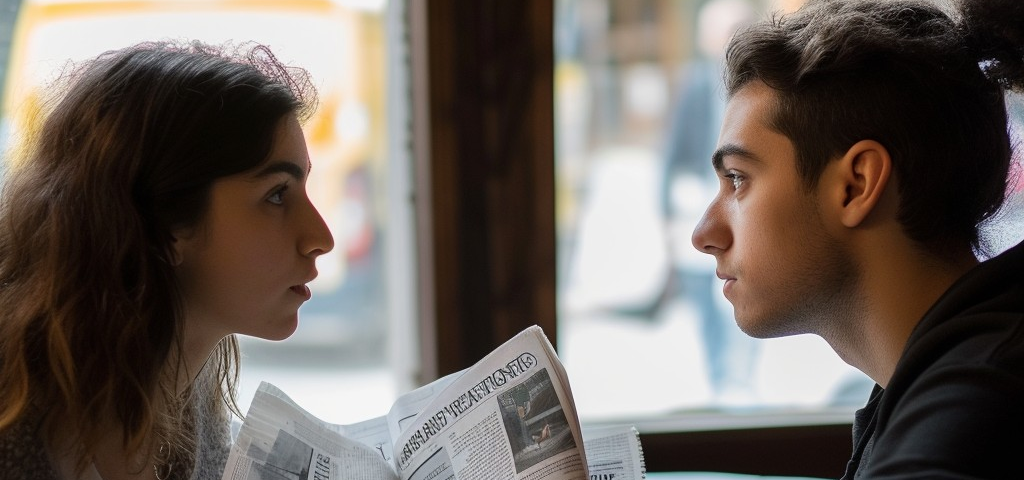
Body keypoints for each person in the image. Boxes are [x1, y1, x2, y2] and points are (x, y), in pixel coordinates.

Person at [690, 0, 1024, 477]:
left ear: (857, 185)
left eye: (739, 179)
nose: (704, 235)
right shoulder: (938, 379)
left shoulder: (962, 426)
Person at [0, 40, 334, 479]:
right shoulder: (15, 431)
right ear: (165, 223)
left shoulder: (192, 394)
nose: (321, 238)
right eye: (276, 195)